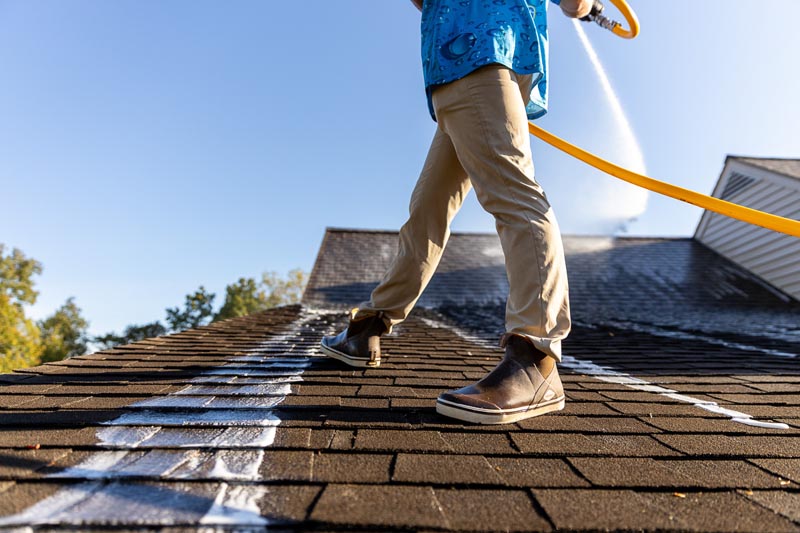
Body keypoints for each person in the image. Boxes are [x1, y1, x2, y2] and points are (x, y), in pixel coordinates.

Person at [320, 0, 594, 424]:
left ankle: (535, 358)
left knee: (513, 194)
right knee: (428, 210)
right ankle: (369, 327)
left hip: (480, 52)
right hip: (461, 58)